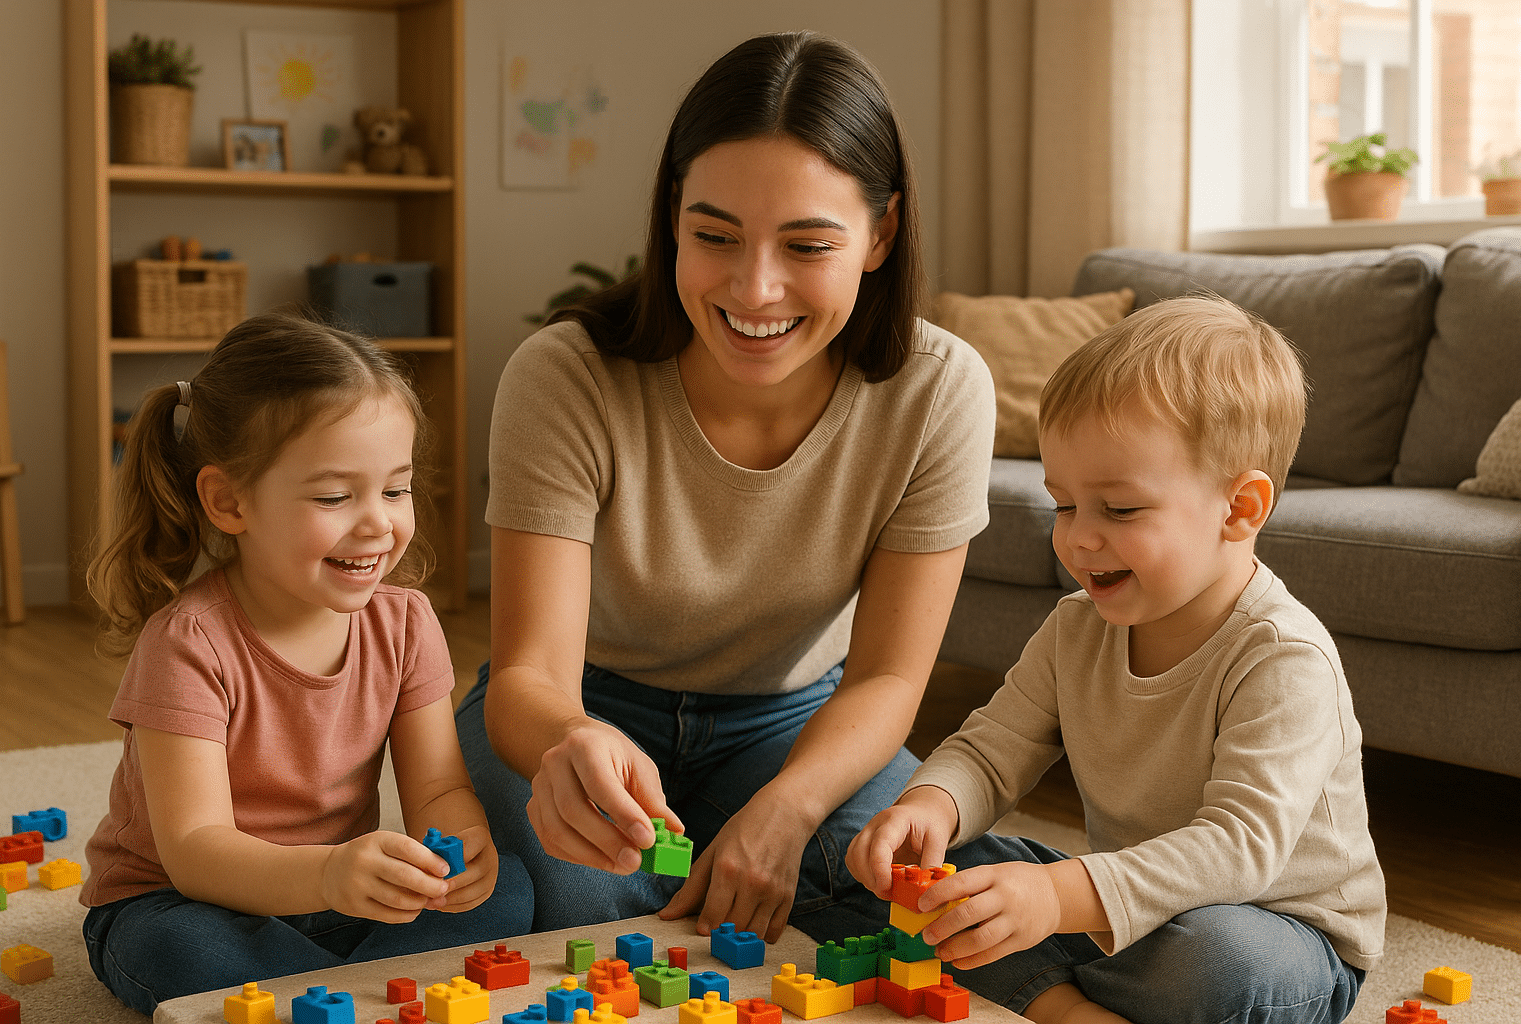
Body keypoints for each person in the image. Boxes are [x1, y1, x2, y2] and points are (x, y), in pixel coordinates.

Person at [456, 30, 995, 943]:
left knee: (925, 894)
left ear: (881, 234)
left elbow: (890, 677)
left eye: (808, 244)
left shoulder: (941, 391)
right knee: (598, 918)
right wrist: (567, 745)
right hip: (586, 706)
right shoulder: (565, 375)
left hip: (796, 724)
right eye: (715, 235)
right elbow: (527, 675)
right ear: (672, 215)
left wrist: (787, 810)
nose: (755, 289)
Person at [848, 295, 1387, 1024]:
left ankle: (1055, 989)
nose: (1077, 540)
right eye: (1064, 505)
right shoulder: (1078, 627)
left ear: (1240, 509)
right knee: (947, 878)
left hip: (1278, 933)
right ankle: (1070, 1007)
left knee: (1220, 964)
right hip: (1128, 904)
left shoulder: (1282, 657)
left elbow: (1239, 849)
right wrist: (930, 805)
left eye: (1120, 510)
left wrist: (1058, 898)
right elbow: (991, 747)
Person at [79, 310, 533, 1015]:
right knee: (179, 951)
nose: (379, 523)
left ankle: (330, 996)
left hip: (339, 896)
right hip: (184, 899)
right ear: (228, 500)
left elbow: (439, 788)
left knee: (509, 889)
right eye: (333, 496)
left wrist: (463, 849)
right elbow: (196, 850)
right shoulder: (187, 643)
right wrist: (328, 875)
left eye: (395, 488)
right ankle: (370, 993)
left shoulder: (407, 622)